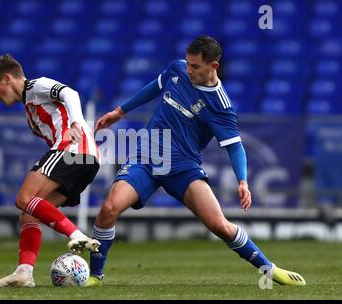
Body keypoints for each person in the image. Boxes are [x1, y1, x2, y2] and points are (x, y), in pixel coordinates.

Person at [87, 36, 306, 287]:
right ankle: (95, 276)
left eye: (196, 67)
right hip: (146, 157)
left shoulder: (221, 106)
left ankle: (270, 269)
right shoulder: (178, 68)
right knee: (108, 209)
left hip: (183, 167)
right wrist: (120, 111)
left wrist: (243, 181)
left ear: (213, 66)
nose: (189, 70)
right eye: (189, 64)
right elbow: (155, 86)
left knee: (220, 226)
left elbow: (235, 147)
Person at [0, 54, 100, 288]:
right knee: (29, 214)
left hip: (72, 149)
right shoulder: (30, 109)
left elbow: (71, 93)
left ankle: (76, 235)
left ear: (7, 78)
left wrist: (76, 122)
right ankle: (24, 273)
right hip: (85, 159)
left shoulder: (36, 86)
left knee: (23, 198)